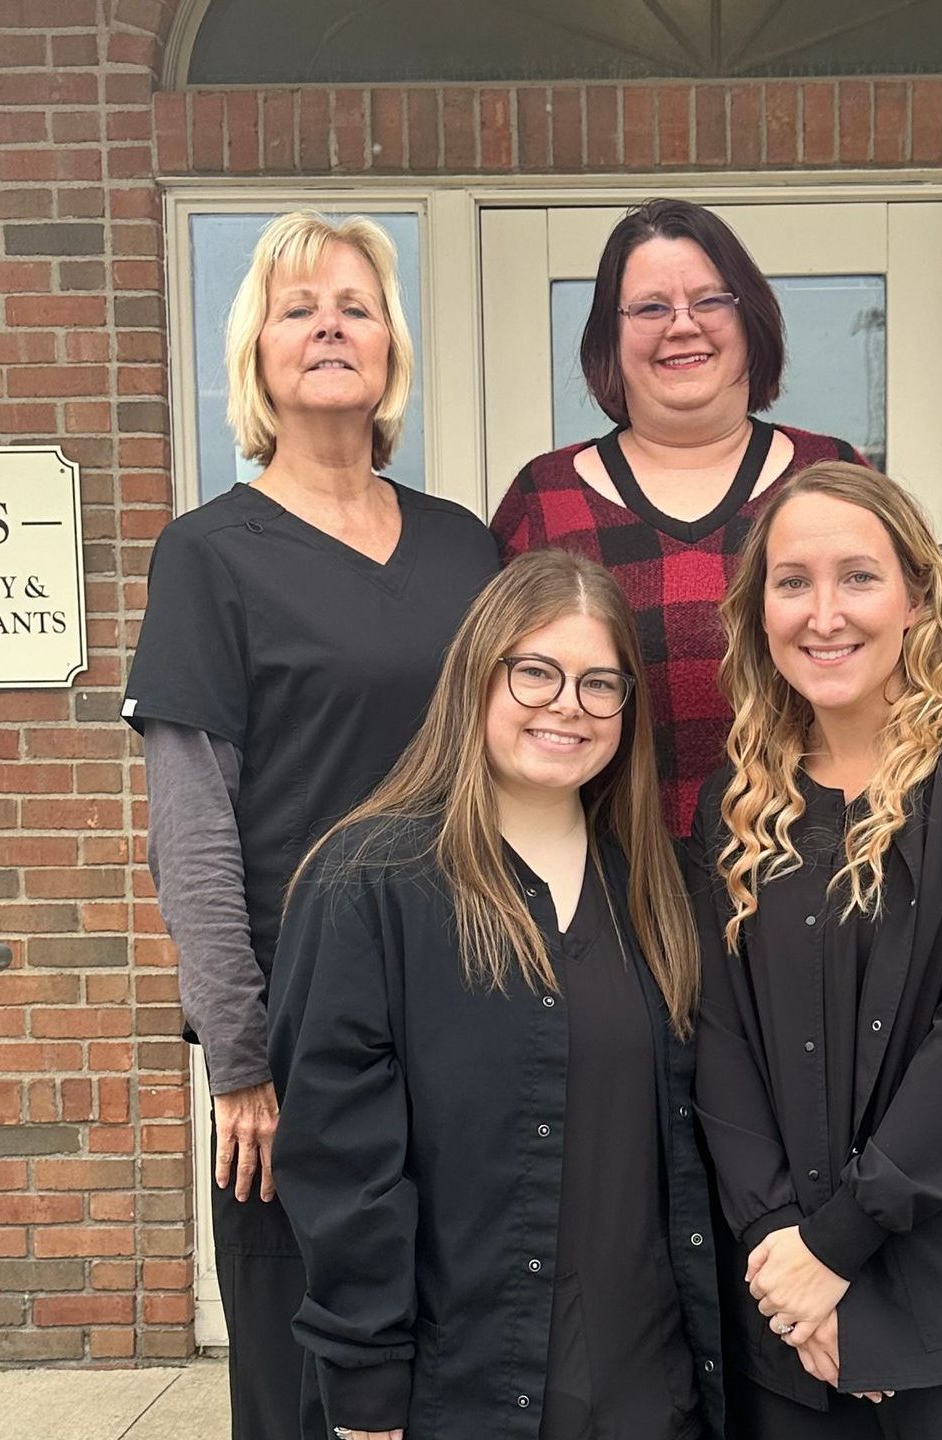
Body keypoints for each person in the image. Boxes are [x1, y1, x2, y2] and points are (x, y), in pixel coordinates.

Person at [122, 210, 498, 1440]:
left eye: (357, 303)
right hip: (301, 1040)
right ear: (258, 356)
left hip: (469, 1014)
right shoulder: (208, 556)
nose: (331, 323)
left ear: (392, 347)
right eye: (299, 307)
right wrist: (239, 1059)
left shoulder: (464, 548)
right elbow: (192, 827)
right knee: (307, 1385)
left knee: (462, 1351)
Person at [267, 549, 726, 1440]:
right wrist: (364, 1379)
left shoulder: (662, 889)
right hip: (472, 1390)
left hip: (653, 1382)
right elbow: (339, 1160)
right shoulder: (372, 883)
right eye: (537, 673)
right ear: (479, 676)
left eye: (601, 684)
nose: (568, 705)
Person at [691, 461, 942, 1439]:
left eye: (859, 577)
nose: (824, 613)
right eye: (792, 582)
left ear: (916, 598)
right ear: (760, 613)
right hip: (795, 1322)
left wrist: (837, 1250)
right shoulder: (739, 805)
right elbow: (724, 1044)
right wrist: (782, 1258)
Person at [492, 198, 865, 836]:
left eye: (711, 300)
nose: (682, 326)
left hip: (814, 876)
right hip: (599, 887)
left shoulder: (832, 477)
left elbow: (909, 676)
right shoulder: (544, 499)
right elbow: (491, 712)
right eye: (650, 308)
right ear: (611, 336)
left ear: (752, 320)